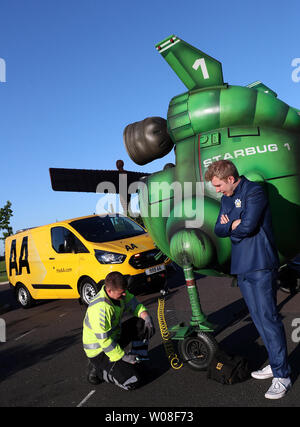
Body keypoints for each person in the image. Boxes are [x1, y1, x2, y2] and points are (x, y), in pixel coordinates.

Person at [205, 160, 291, 400]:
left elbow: (250, 226)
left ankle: (283, 374)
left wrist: (232, 224)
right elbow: (219, 228)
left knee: (268, 317)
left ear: (231, 179)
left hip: (261, 263)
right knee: (257, 318)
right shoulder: (225, 199)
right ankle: (275, 364)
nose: (218, 190)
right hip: (242, 266)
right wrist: (234, 223)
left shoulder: (254, 191)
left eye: (219, 185)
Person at [82, 271, 155, 390]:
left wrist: (146, 317)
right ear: (109, 291)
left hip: (114, 338)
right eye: (121, 294)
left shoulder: (120, 293)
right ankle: (99, 370)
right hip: (100, 351)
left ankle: (138, 361)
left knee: (142, 325)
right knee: (132, 381)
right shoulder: (100, 309)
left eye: (125, 292)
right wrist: (124, 356)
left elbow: (135, 305)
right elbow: (105, 342)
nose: (125, 295)